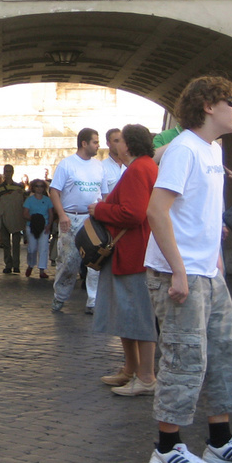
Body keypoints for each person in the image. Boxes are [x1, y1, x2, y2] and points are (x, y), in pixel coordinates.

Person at [144, 76, 232, 463]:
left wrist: (215, 257)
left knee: (221, 354)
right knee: (184, 359)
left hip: (208, 272)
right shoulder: (185, 150)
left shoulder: (212, 150)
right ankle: (167, 448)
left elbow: (202, 213)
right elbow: (156, 211)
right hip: (178, 273)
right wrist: (180, 273)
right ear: (207, 105)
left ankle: (220, 442)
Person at [87, 124, 158, 397]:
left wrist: (100, 209)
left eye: (119, 140)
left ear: (128, 144)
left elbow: (134, 214)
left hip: (134, 254)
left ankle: (146, 376)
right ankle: (131, 369)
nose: (115, 144)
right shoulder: (143, 167)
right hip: (129, 253)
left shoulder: (140, 169)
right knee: (127, 315)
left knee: (138, 316)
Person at [50, 128, 107, 314]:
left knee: (96, 260)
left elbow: (104, 194)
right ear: (84, 143)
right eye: (95, 142)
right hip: (71, 217)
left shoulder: (99, 166)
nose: (98, 145)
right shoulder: (67, 165)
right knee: (69, 261)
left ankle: (93, 300)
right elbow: (54, 191)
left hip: (92, 219)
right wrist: (62, 215)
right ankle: (60, 296)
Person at [0, 164, 26, 273]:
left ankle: (16, 265)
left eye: (10, 171)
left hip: (15, 216)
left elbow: (24, 200)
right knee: (6, 243)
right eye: (6, 171)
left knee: (16, 243)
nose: (8, 173)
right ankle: (8, 264)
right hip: (4, 217)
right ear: (4, 172)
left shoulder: (19, 188)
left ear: (13, 172)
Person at [22, 179, 53, 278]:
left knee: (43, 248)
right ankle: (30, 264)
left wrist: (49, 225)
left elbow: (51, 214)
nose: (39, 188)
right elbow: (25, 213)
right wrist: (35, 220)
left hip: (44, 227)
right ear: (33, 187)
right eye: (37, 186)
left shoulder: (47, 200)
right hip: (32, 226)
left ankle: (42, 270)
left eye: (41, 186)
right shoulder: (29, 200)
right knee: (32, 248)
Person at [100, 128, 126, 195]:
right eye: (116, 141)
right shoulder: (101, 166)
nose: (119, 144)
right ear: (108, 143)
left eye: (122, 141)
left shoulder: (131, 165)